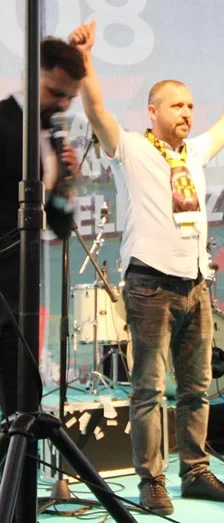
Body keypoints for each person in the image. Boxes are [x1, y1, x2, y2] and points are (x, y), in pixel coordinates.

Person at [70, 21, 224, 515]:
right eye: (177, 105)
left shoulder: (194, 152)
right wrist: (86, 59)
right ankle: (151, 481)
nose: (186, 113)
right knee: (149, 389)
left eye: (190, 106)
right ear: (152, 111)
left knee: (197, 389)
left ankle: (195, 471)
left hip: (195, 285)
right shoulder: (131, 148)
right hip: (149, 285)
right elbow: (96, 109)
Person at [0, 36, 85, 420]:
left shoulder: (53, 137)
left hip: (21, 295)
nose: (64, 104)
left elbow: (61, 225)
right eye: (56, 92)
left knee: (23, 407)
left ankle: (20, 460)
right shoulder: (3, 120)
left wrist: (66, 189)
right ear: (30, 76)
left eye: (71, 98)